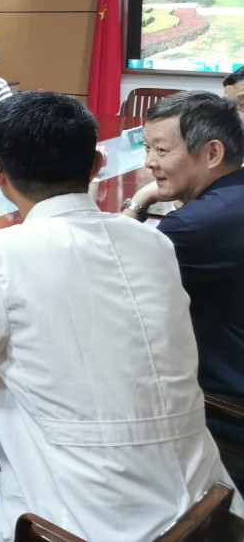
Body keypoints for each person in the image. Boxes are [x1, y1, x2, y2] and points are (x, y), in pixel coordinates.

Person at [0, 92, 239, 541]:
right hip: (208, 507)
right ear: (96, 165)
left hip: (80, 529)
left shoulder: (0, 255)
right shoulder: (154, 243)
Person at [119, 92, 244, 433]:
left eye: (161, 150)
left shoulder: (195, 225)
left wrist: (139, 199)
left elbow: (106, 271)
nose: (149, 162)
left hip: (226, 405)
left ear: (213, 153)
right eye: (147, 149)